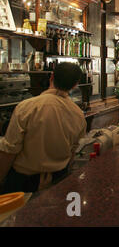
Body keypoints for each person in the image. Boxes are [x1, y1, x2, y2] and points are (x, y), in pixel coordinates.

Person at [0, 63, 86, 194]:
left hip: (23, 183)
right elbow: (72, 153)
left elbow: (9, 150)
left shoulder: (26, 107)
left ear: (51, 77)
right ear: (75, 85)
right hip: (59, 179)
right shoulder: (78, 114)